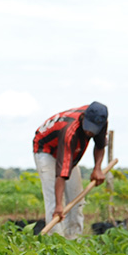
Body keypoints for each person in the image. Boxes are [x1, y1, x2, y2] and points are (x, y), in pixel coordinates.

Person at [32, 102, 108, 238]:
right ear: (83, 117)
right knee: (54, 202)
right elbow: (62, 173)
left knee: (77, 200)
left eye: (94, 129)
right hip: (46, 148)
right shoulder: (69, 130)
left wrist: (97, 169)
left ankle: (74, 243)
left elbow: (100, 145)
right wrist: (59, 206)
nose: (90, 132)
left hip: (70, 150)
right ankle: (56, 244)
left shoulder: (100, 120)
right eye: (88, 127)